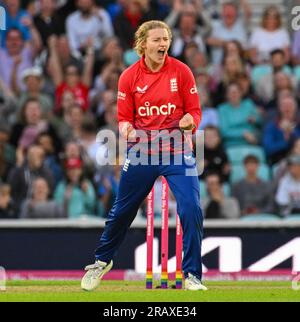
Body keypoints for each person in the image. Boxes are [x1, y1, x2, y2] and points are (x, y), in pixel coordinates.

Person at [81, 20, 207, 291]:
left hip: (176, 150)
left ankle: (192, 275)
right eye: (157, 40)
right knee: (121, 212)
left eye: (166, 39)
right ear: (143, 44)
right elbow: (124, 119)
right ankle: (102, 262)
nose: (163, 44)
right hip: (142, 153)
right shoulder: (129, 76)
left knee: (191, 208)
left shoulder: (181, 71)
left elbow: (195, 111)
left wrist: (189, 121)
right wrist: (126, 130)